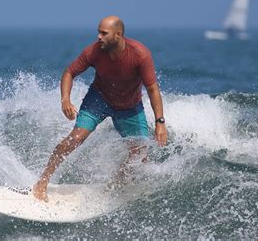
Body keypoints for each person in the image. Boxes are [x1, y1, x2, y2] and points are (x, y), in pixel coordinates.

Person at [32, 15, 168, 202]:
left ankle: (114, 187)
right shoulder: (94, 52)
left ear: (118, 35)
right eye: (99, 32)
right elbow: (69, 72)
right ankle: (42, 182)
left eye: (104, 33)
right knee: (75, 138)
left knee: (140, 155)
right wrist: (65, 100)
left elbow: (152, 89)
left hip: (129, 106)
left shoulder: (140, 55)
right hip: (99, 99)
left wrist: (160, 122)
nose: (98, 37)